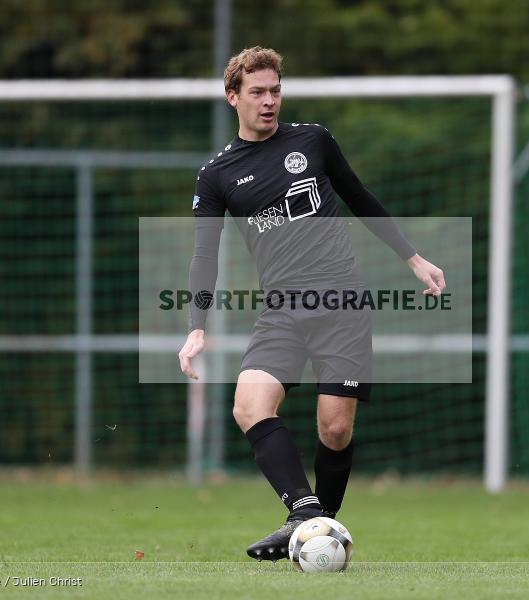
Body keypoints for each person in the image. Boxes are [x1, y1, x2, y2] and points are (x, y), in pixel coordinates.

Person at [178, 46, 445, 561]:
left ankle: (315, 524)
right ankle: (306, 514)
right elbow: (203, 256)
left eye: (275, 90)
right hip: (281, 309)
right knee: (249, 405)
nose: (269, 100)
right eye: (257, 92)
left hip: (341, 302)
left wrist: (412, 258)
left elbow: (360, 197)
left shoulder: (313, 141)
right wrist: (196, 325)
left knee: (336, 427)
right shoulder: (217, 175)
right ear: (233, 97)